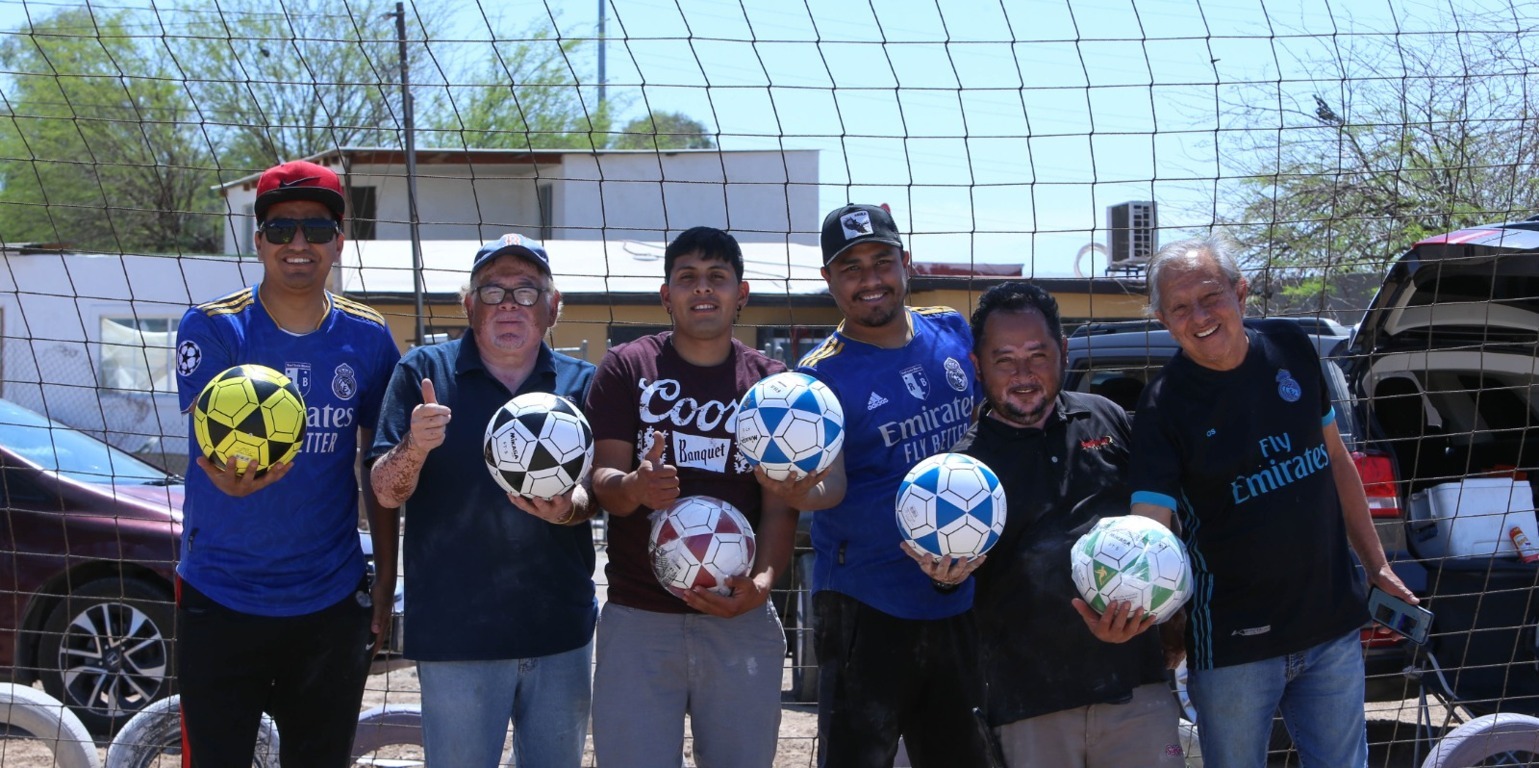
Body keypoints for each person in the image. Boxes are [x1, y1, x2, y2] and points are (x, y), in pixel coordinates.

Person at [1127, 235, 1417, 768]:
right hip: (1234, 646)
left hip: (1331, 626)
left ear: (1241, 293)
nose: (1199, 316)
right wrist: (1147, 612)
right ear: (1164, 322)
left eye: (1211, 297)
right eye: (1180, 308)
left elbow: (1335, 460)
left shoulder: (1290, 345)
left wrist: (1377, 565)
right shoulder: (1163, 407)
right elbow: (1151, 530)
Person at [172, 159, 401, 767]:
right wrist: (229, 482)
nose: (298, 244)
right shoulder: (215, 327)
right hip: (220, 592)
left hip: (327, 600)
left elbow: (377, 470)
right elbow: (211, 456)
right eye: (280, 229)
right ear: (258, 240)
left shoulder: (370, 338)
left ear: (339, 240)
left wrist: (385, 576)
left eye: (317, 230)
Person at [367, 233, 597, 768]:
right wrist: (414, 447)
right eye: (492, 292)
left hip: (558, 633)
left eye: (526, 290)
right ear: (469, 305)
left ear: (553, 306)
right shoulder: (424, 374)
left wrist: (570, 506)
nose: (509, 305)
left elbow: (602, 494)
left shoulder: (583, 382)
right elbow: (382, 489)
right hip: (456, 635)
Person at [789, 203, 996, 768]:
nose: (870, 279)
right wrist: (791, 485)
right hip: (867, 601)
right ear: (828, 280)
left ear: (905, 263)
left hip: (962, 593)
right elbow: (826, 489)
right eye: (850, 268)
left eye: (882, 261)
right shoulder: (818, 378)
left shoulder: (952, 330)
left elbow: (988, 431)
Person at [944, 281, 1183, 767]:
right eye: (1004, 358)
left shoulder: (1109, 419)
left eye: (1037, 354)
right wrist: (942, 579)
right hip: (1028, 707)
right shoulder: (960, 474)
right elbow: (949, 590)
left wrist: (1174, 621)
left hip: (1136, 691)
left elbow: (1161, 533)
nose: (1023, 373)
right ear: (976, 366)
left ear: (1064, 351)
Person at [586, 226, 798, 768]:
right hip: (638, 618)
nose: (702, 289)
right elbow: (602, 480)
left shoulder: (772, 387)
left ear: (741, 293)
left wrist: (763, 584)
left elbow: (780, 504)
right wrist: (634, 487)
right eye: (687, 278)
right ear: (666, 295)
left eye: (717, 278)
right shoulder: (628, 369)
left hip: (740, 615)